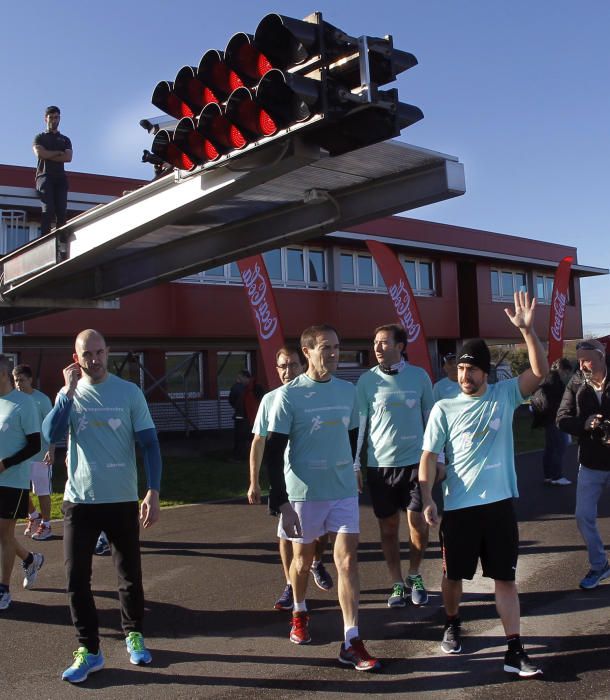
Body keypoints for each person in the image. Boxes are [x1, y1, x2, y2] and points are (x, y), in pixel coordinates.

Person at [419, 291, 547, 678]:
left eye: (472, 369)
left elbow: (539, 372)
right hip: (458, 508)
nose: (464, 375)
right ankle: (452, 622)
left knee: (505, 579)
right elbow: (428, 456)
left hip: (499, 504)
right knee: (453, 576)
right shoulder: (443, 407)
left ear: (485, 372)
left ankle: (514, 649)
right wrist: (427, 496)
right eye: (460, 369)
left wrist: (527, 331)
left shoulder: (505, 396)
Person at [42, 329, 162, 683]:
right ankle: (90, 649)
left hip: (122, 499)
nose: (93, 359)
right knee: (76, 578)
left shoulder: (128, 392)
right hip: (79, 502)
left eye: (98, 352)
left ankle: (133, 633)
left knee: (129, 575)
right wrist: (66, 392)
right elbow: (50, 434)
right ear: (75, 358)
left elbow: (150, 444)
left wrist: (153, 491)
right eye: (86, 354)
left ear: (107, 352)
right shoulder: (70, 395)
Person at [265, 324, 380, 672]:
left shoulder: (349, 391)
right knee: (301, 562)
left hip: (342, 489)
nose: (332, 353)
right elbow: (274, 453)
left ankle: (351, 639)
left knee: (347, 562)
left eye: (336, 347)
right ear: (307, 352)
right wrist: (282, 502)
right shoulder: (289, 395)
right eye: (324, 348)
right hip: (304, 493)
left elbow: (353, 435)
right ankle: (299, 611)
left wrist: (353, 467)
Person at [355, 323, 434, 608]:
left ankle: (415, 574)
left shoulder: (419, 376)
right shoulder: (366, 381)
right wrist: (356, 465)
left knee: (418, 525)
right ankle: (397, 583)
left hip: (416, 464)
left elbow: (432, 422)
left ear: (400, 346)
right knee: (388, 529)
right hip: (380, 467)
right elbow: (360, 427)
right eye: (375, 342)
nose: (377, 348)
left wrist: (440, 459)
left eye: (384, 342)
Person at [248, 347, 333, 611]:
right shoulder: (271, 399)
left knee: (321, 534)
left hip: (318, 478)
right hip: (285, 479)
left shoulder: (318, 395)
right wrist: (254, 481)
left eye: (293, 365)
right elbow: (259, 441)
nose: (288, 371)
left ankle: (317, 562)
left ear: (303, 363)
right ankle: (289, 583)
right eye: (283, 366)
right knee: (285, 534)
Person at [556, 339, 610, 590]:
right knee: (583, 516)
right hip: (590, 462)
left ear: (602, 356)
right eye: (579, 360)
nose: (583, 365)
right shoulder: (577, 382)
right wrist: (585, 424)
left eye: (587, 359)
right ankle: (599, 565)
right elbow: (562, 419)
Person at [0, 355, 45, 611]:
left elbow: (35, 444)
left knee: (4, 534)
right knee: (0, 534)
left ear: (4, 374)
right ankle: (30, 559)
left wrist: (5, 464)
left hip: (13, 480)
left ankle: (3, 589)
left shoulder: (24, 404)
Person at [12, 364, 56, 540]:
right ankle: (34, 516)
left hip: (40, 454)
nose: (18, 384)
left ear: (30, 379)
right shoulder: (14, 400)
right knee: (19, 490)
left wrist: (51, 451)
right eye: (15, 380)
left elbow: (53, 428)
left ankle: (46, 525)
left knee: (42, 491)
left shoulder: (42, 400)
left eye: (21, 380)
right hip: (20, 456)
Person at [530, 358, 573, 486]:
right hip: (555, 418)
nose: (567, 375)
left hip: (547, 419)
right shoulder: (555, 381)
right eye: (566, 372)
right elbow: (555, 401)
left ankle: (548, 475)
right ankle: (556, 476)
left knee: (550, 448)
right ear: (562, 369)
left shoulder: (546, 377)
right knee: (560, 447)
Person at [32, 106, 72, 236]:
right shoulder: (39, 137)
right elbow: (40, 154)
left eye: (56, 117)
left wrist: (49, 154)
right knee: (48, 210)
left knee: (61, 211)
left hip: (60, 178)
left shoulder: (65, 139)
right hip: (44, 176)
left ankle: (62, 241)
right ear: (46, 119)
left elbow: (68, 157)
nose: (54, 120)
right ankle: (44, 240)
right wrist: (58, 153)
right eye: (51, 117)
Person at [229, 369, 253, 461]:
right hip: (249, 416)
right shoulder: (251, 387)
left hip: (241, 416)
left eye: (239, 377)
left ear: (245, 377)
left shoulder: (238, 388)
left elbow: (232, 399)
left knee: (240, 437)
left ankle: (238, 457)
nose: (237, 379)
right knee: (248, 437)